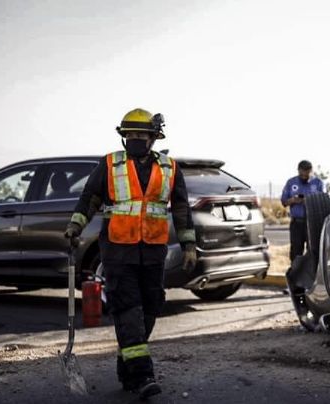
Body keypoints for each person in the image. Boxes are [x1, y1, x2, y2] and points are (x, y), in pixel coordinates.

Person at [64, 108, 197, 399]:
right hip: (117, 249)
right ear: (124, 138)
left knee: (150, 308)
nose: (135, 139)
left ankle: (127, 363)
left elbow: (182, 207)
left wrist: (188, 245)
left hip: (153, 249)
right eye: (131, 135)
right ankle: (142, 375)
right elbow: (90, 198)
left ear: (153, 138)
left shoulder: (169, 167)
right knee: (128, 309)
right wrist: (76, 225)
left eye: (141, 134)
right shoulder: (111, 164)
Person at [281, 160, 325, 261]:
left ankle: (312, 275)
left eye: (307, 175)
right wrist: (292, 200)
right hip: (297, 223)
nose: (304, 177)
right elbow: (284, 202)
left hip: (313, 223)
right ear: (298, 171)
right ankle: (295, 274)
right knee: (296, 252)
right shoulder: (291, 182)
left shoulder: (318, 183)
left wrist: (309, 200)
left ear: (311, 171)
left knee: (314, 252)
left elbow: (324, 201)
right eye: (302, 175)